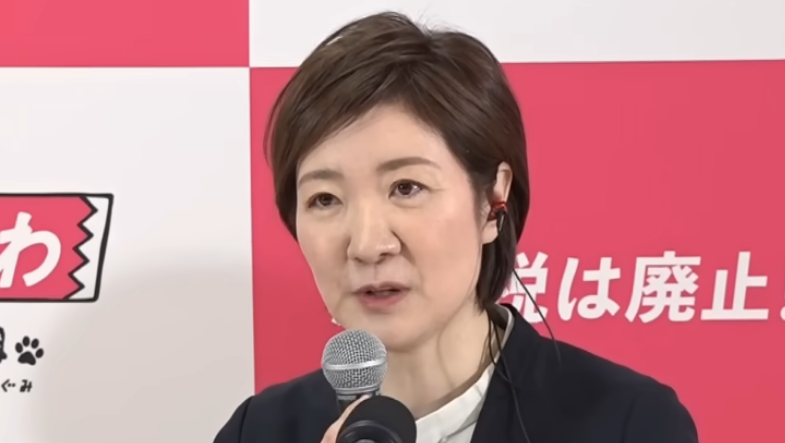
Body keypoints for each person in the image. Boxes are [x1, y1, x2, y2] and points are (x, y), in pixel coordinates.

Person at [214, 11, 699, 443]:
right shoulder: (258, 431)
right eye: (325, 199)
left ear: (492, 201)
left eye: (406, 188)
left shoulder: (628, 423)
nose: (367, 244)